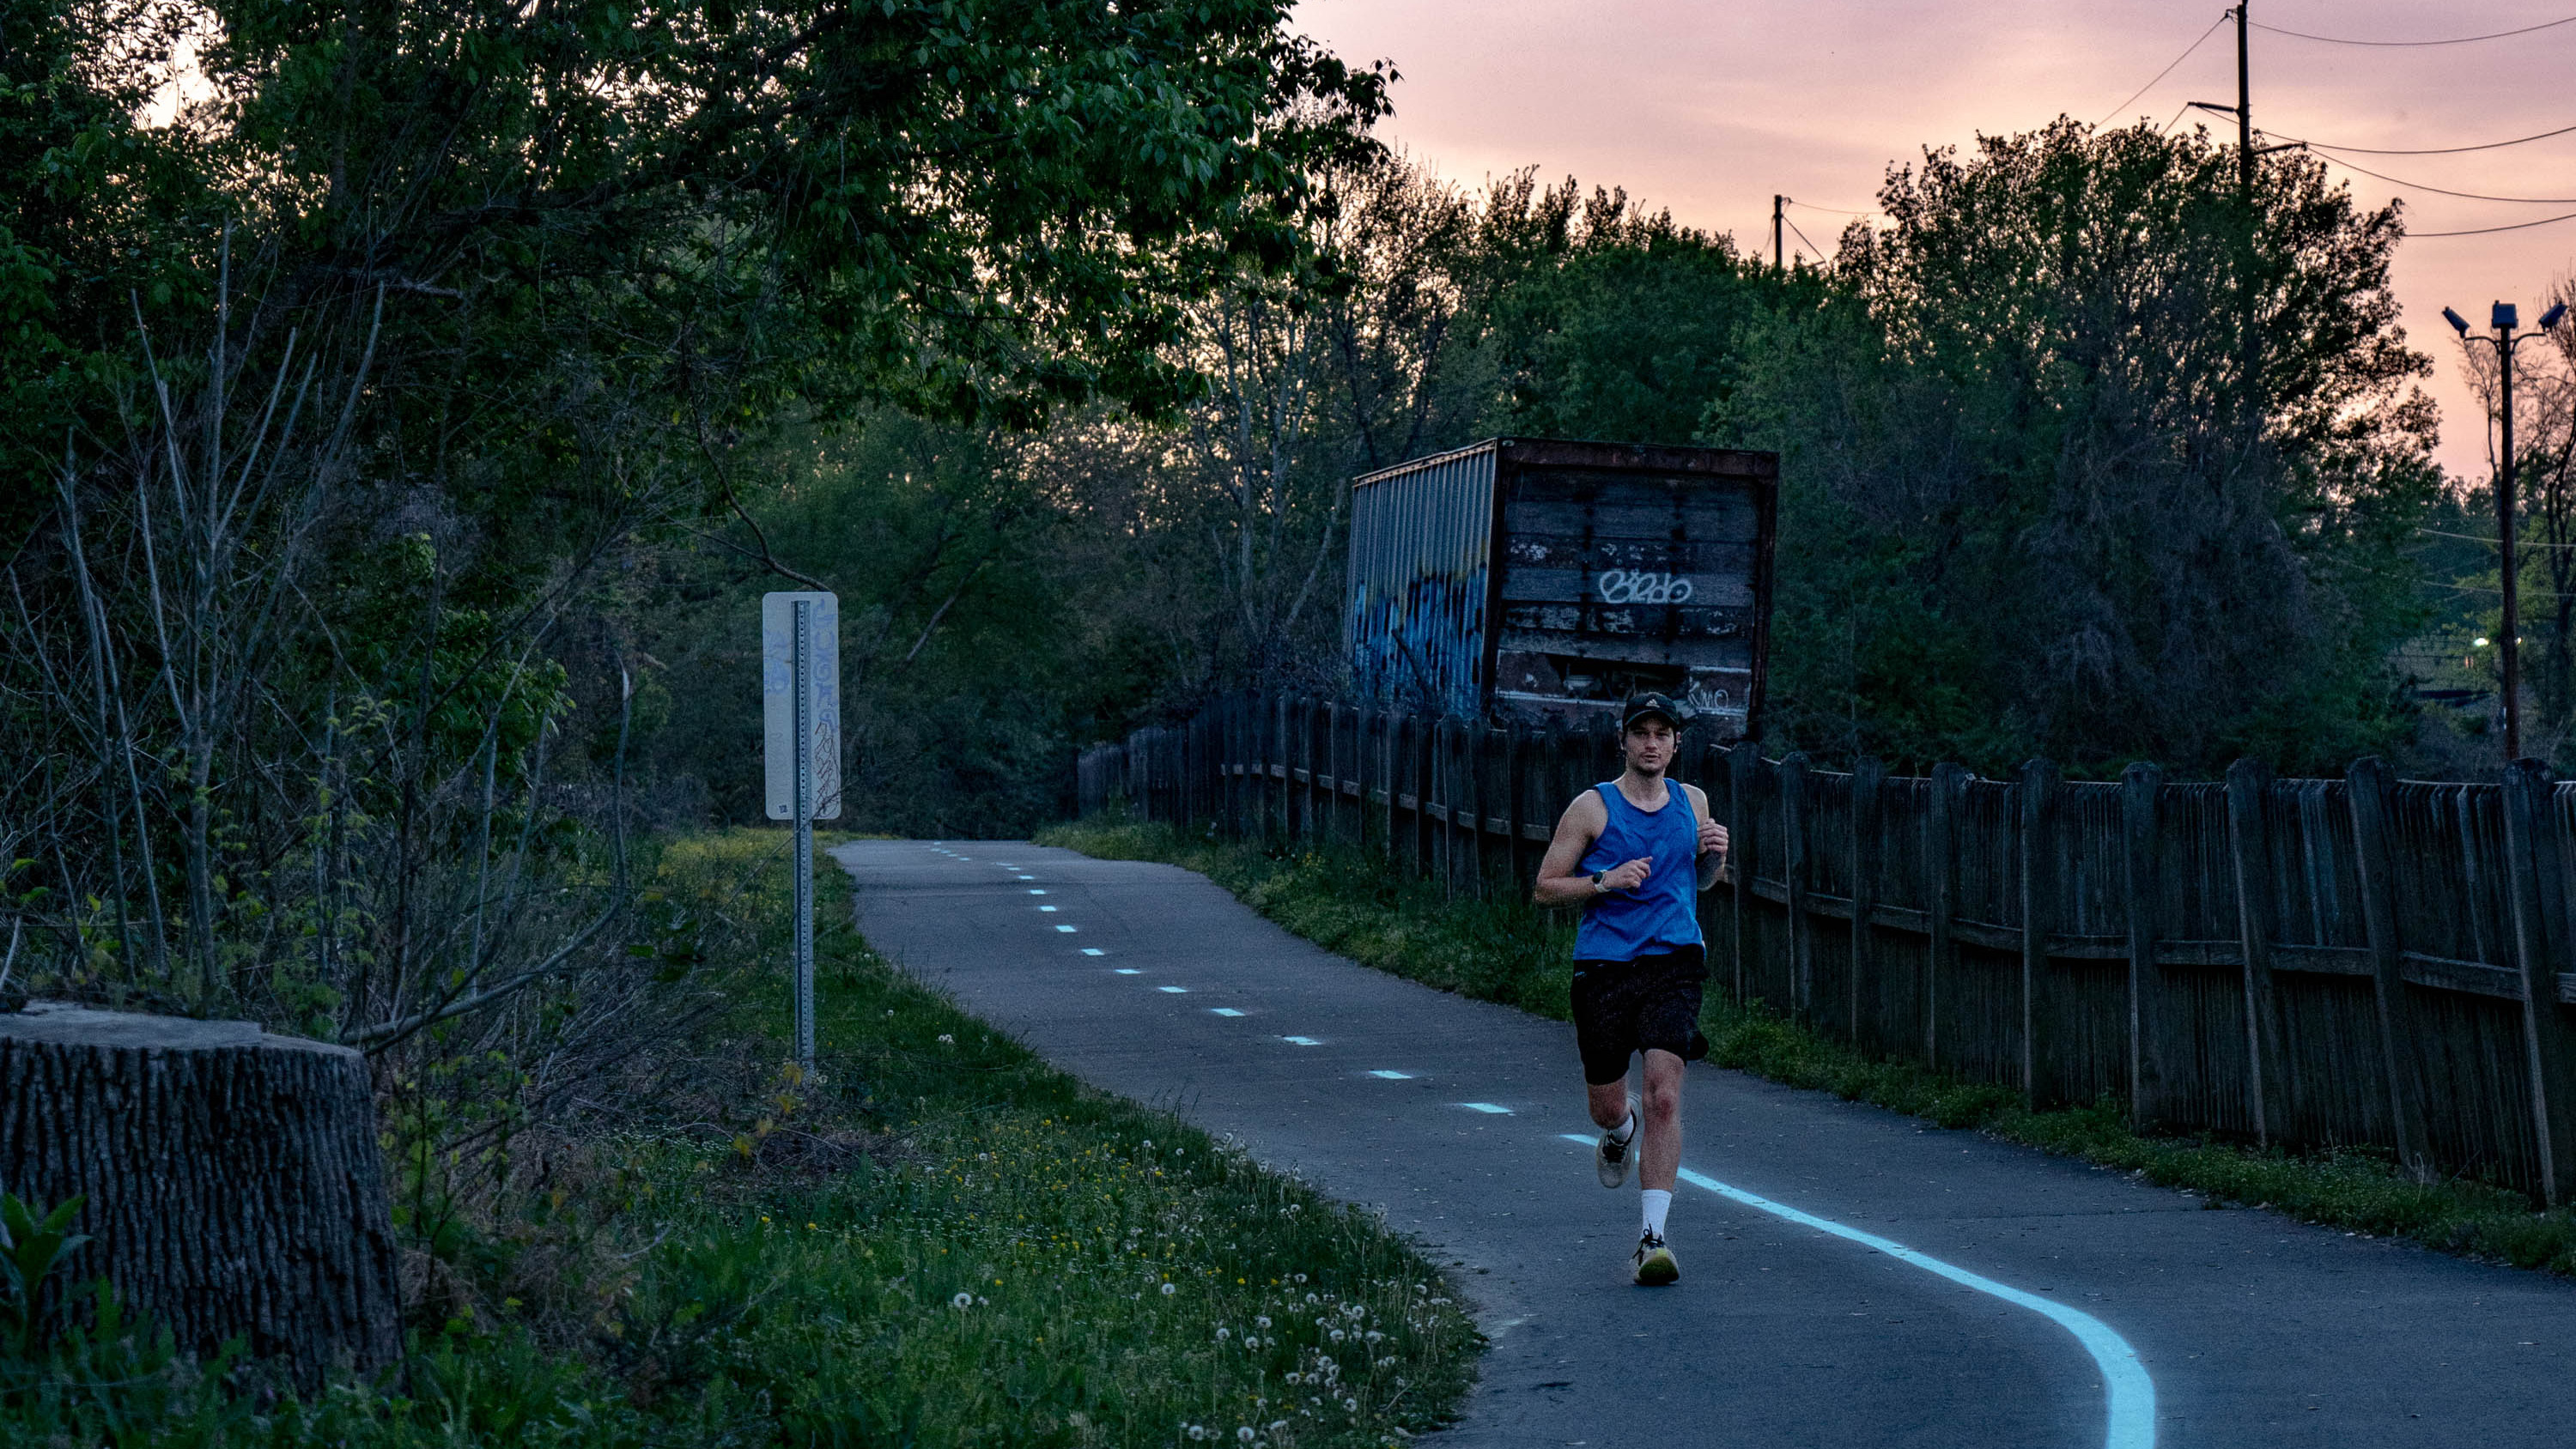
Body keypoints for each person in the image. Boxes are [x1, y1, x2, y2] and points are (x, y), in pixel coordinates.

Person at [1532, 691, 1728, 1286]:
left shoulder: (1692, 802)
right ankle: (1621, 1131)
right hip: (1606, 966)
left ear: (1675, 744)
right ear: (1623, 740)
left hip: (1674, 960)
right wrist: (1604, 881)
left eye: (1661, 733)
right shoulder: (1592, 808)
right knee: (1608, 1105)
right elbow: (1544, 886)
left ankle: (1652, 1239)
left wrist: (1716, 858)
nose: (1650, 742)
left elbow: (1700, 882)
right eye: (1639, 732)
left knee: (1665, 1094)